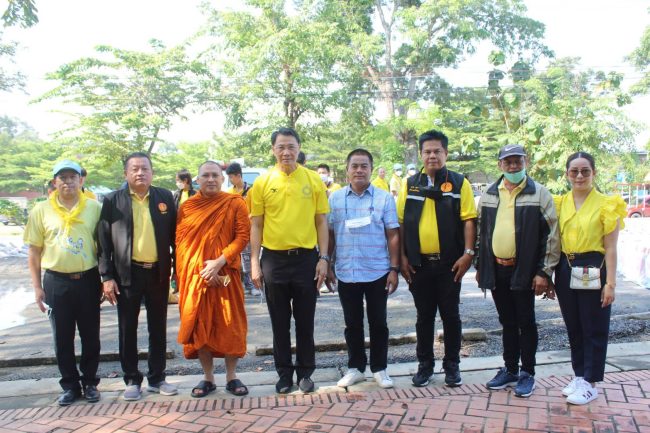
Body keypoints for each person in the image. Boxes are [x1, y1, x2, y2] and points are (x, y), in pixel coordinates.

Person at [250, 127, 329, 394]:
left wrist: (324, 258)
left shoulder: (313, 180)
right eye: (281, 147)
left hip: (307, 259)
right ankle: (284, 374)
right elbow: (257, 225)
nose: (286, 152)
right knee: (279, 323)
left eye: (291, 146)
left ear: (298, 148)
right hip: (273, 261)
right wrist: (253, 262)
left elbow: (321, 221)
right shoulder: (262, 182)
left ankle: (306, 373)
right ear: (273, 149)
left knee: (305, 321)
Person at [476, 144, 560, 398]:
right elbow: (481, 233)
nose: (513, 166)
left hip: (525, 270)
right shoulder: (490, 194)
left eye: (518, 161)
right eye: (508, 162)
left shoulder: (540, 194)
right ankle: (510, 369)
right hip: (497, 270)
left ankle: (528, 373)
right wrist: (481, 266)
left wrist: (543, 273)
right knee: (507, 322)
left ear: (526, 162)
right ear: (500, 164)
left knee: (526, 322)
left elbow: (551, 236)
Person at [398, 129, 477, 388]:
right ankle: (425, 365)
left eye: (437, 151)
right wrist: (402, 259)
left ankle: (452, 366)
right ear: (421, 154)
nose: (432, 156)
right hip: (418, 265)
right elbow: (399, 225)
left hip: (450, 265)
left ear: (446, 153)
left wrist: (467, 254)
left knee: (451, 316)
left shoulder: (458, 182)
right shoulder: (410, 185)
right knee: (424, 317)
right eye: (427, 151)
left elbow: (468, 220)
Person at [98, 152, 178, 401]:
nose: (140, 173)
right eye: (134, 169)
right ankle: (132, 379)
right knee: (127, 327)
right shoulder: (113, 200)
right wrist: (106, 276)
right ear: (126, 174)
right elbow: (103, 243)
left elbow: (176, 236)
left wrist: (178, 269)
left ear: (152, 172)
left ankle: (157, 378)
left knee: (158, 327)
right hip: (126, 274)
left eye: (145, 168)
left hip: (158, 272)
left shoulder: (164, 197)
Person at [24, 160, 102, 406]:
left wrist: (105, 279)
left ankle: (90, 383)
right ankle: (69, 385)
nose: (68, 181)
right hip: (56, 281)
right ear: (54, 182)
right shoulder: (40, 210)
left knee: (91, 335)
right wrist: (37, 287)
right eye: (62, 177)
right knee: (62, 337)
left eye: (72, 176)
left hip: (88, 279)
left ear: (81, 180)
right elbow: (34, 252)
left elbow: (103, 247)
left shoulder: (95, 208)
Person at [553, 152, 625, 405]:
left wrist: (611, 283)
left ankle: (591, 382)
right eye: (574, 171)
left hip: (595, 266)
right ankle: (579, 375)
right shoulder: (560, 203)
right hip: (566, 266)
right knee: (574, 326)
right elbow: (554, 241)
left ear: (594, 172)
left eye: (585, 170)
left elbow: (612, 247)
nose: (580, 176)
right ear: (567, 174)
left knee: (593, 326)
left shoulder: (607, 204)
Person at [176, 161, 251, 398]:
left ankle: (231, 376)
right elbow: (181, 245)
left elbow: (242, 237)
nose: (210, 179)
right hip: (198, 278)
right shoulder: (188, 207)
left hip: (227, 276)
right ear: (197, 179)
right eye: (205, 175)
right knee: (200, 326)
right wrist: (203, 271)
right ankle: (208, 377)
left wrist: (219, 263)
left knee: (231, 324)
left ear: (223, 179)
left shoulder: (235, 203)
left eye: (215, 176)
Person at [328, 149, 400, 389]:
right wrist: (327, 263)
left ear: (371, 169)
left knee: (379, 322)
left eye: (364, 166)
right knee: (352, 323)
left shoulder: (384, 198)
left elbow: (393, 235)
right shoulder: (335, 199)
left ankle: (380, 369)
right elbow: (329, 234)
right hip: (346, 271)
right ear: (347, 169)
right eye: (355, 166)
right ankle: (356, 368)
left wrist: (394, 268)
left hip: (377, 270)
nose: (359, 170)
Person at [225, 162, 257, 296]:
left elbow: (255, 210)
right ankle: (239, 285)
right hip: (233, 230)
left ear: (238, 175)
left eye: (231, 177)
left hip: (248, 230)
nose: (230, 180)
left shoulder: (252, 191)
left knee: (248, 258)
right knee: (235, 257)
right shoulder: (229, 192)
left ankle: (252, 285)